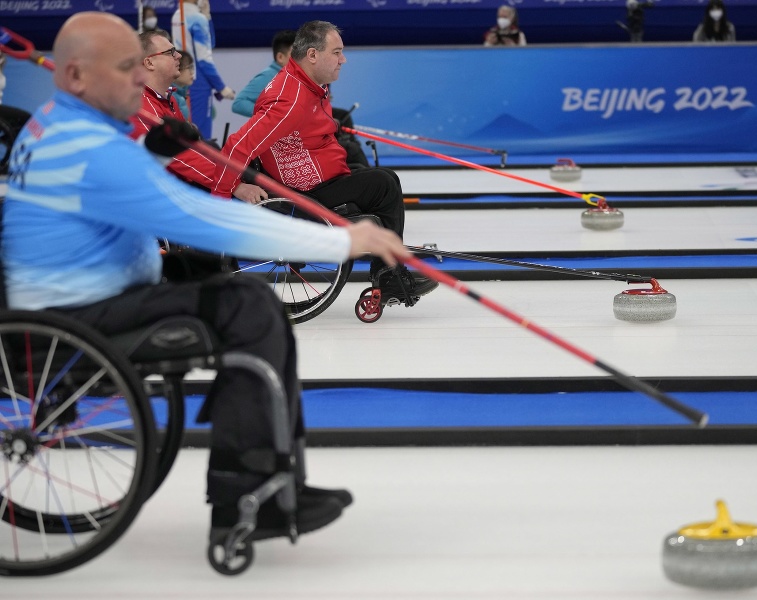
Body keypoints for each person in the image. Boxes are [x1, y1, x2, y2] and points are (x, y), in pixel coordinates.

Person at [2, 11, 413, 544]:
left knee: (224, 286)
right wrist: (342, 239)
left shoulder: (54, 122)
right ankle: (243, 494)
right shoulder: (91, 148)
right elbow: (202, 218)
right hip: (77, 320)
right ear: (77, 76)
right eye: (126, 67)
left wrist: (154, 152)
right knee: (250, 307)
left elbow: (118, 188)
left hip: (65, 298)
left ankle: (267, 471)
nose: (138, 79)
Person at [213, 21, 436, 303]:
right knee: (385, 184)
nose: (343, 59)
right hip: (307, 191)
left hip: (320, 176)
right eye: (337, 52)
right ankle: (390, 278)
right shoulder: (290, 98)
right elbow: (237, 146)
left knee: (372, 173)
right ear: (313, 55)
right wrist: (225, 196)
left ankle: (388, 265)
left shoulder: (307, 84)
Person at [128, 30, 267, 204]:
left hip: (179, 190)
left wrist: (232, 174)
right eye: (170, 52)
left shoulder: (168, 100)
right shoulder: (141, 104)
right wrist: (233, 186)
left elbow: (191, 149)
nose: (178, 56)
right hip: (161, 200)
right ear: (149, 62)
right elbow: (177, 156)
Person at [233, 29, 369, 168]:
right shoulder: (268, 76)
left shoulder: (296, 75)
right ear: (280, 58)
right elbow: (238, 104)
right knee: (350, 150)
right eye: (295, 55)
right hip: (288, 139)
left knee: (342, 118)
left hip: (303, 131)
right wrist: (276, 114)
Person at [171, 0, 235, 140]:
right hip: (197, 79)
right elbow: (205, 58)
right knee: (200, 135)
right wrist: (221, 87)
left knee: (186, 130)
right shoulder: (198, 19)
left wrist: (207, 17)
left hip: (180, 74)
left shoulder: (176, 15)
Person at [172, 48, 194, 122]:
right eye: (189, 68)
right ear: (177, 68)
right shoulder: (170, 96)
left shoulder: (180, 95)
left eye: (192, 68)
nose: (192, 72)